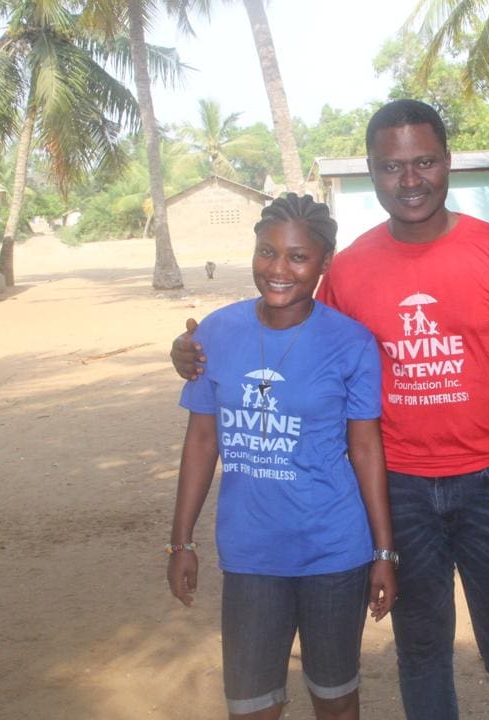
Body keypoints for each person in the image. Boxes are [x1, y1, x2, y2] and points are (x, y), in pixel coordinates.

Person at [173, 100, 489, 720]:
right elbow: (289, 336)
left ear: (447, 163)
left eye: (424, 162)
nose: (410, 179)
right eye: (392, 166)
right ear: (371, 170)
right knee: (421, 654)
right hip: (399, 491)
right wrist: (196, 350)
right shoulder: (351, 267)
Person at [166, 193, 397, 720]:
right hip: (251, 553)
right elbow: (202, 441)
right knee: (251, 706)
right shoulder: (215, 335)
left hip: (334, 551)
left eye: (298, 256)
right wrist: (180, 541)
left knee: (335, 698)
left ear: (323, 264)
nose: (279, 269)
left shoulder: (351, 343)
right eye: (267, 252)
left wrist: (385, 553)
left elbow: (365, 447)